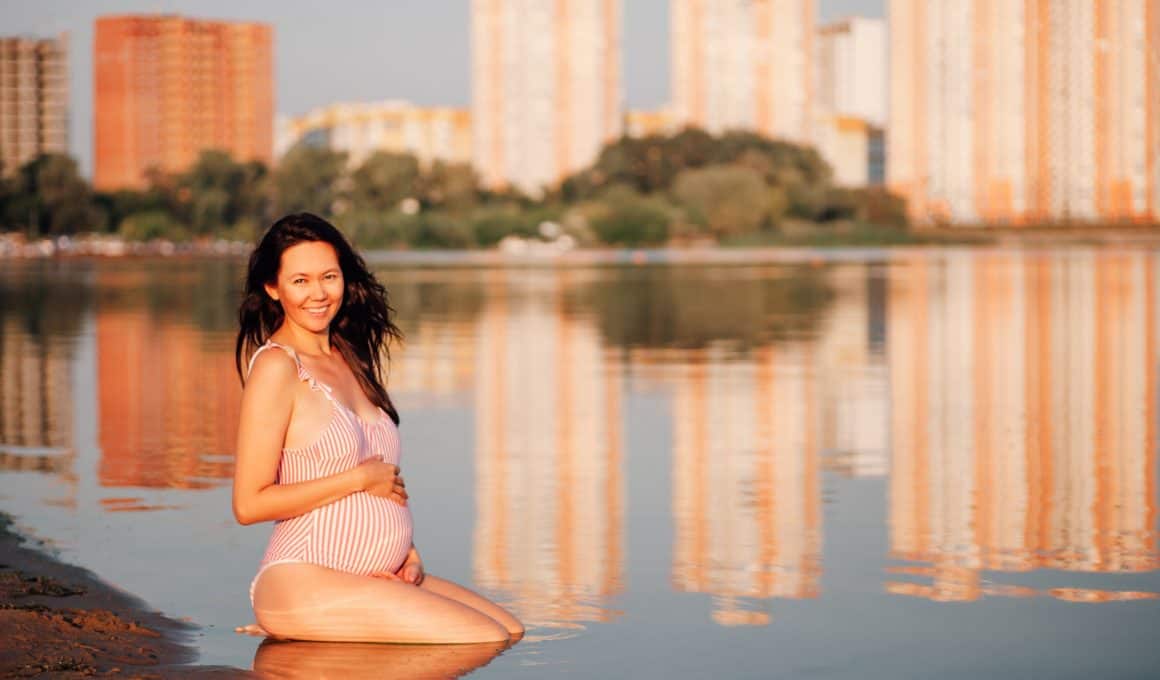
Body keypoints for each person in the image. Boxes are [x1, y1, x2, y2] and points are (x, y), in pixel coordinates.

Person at [231, 213, 523, 644]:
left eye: (329, 277)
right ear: (273, 288)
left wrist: (406, 549)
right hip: (305, 576)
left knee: (511, 631)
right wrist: (358, 478)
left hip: (376, 574)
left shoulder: (347, 358)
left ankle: (321, 645)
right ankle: (296, 622)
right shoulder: (277, 367)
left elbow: (382, 485)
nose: (318, 293)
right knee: (484, 639)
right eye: (300, 281)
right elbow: (249, 504)